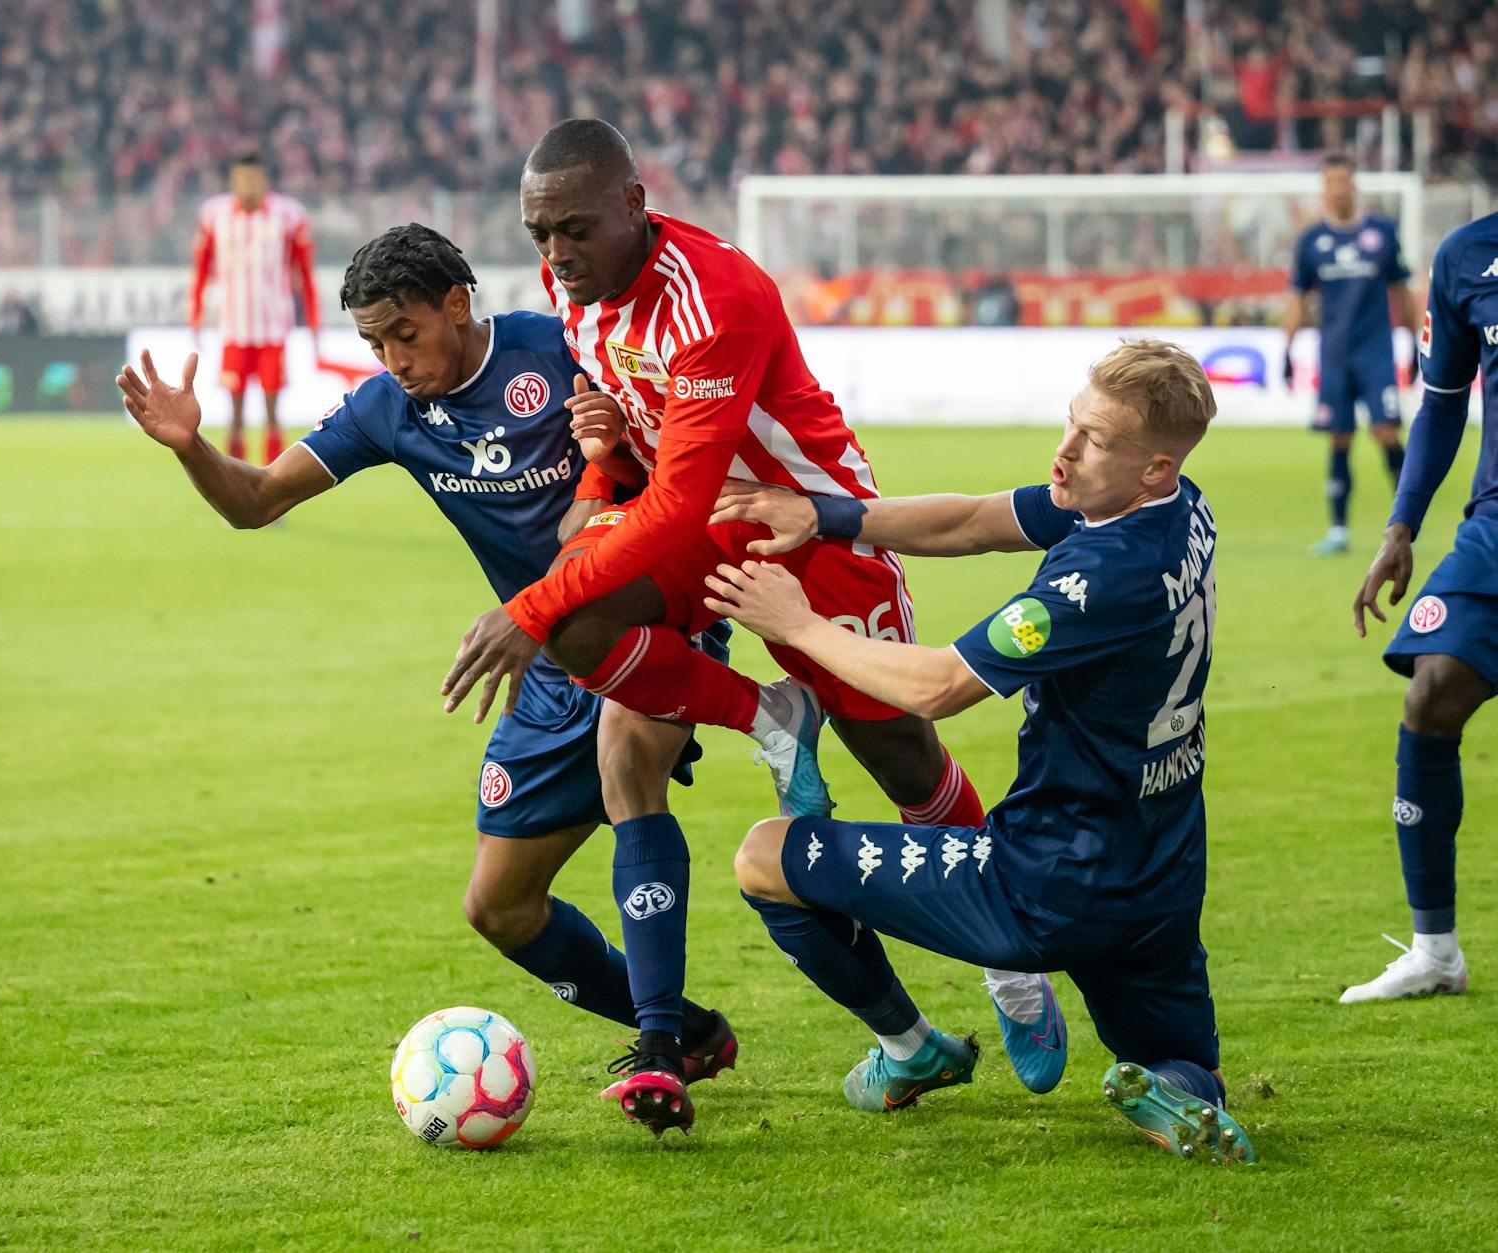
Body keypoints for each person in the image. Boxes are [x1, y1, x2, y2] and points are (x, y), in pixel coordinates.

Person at [439, 118, 1057, 1136]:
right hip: (700, 519)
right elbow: (629, 447)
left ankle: (1011, 964)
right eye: (537, 230)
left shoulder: (713, 297)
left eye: (572, 228)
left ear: (634, 206)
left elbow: (677, 501)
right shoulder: (577, 288)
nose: (552, 252)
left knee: (898, 756)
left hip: (814, 532)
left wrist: (527, 597)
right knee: (577, 624)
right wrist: (595, 478)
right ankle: (770, 713)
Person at [125, 224, 744, 1082]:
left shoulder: (558, 343)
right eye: (373, 344)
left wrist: (612, 443)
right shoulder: (388, 408)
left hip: (649, 613)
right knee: (500, 906)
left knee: (627, 765)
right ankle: (702, 1032)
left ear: (457, 304)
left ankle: (661, 1046)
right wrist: (192, 445)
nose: (393, 360)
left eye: (404, 336)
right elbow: (257, 501)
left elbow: (678, 443)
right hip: (544, 653)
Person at [706, 339, 1255, 1166]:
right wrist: (827, 513)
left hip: (1046, 877)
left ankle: (909, 1047)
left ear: (1153, 466)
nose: (1066, 451)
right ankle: (1179, 1093)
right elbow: (975, 521)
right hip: (1162, 873)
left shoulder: (1101, 576)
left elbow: (936, 688)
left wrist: (797, 625)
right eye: (1073, 424)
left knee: (763, 857)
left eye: (1095, 440)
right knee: (1185, 1063)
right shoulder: (1179, 507)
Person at [1343, 210, 1498, 1002]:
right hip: (1496, 524)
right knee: (1432, 691)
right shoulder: (1466, 255)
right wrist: (1400, 528)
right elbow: (1441, 402)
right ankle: (1435, 949)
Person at [1284, 153, 1419, 556]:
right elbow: (1297, 298)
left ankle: (1410, 518)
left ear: (1354, 185)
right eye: (1332, 181)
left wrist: (1413, 343)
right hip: (1335, 356)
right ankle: (1339, 530)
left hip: (1376, 353)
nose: (1339, 188)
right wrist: (1286, 349)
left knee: (1386, 434)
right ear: (1324, 189)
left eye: (1344, 180)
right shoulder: (1311, 243)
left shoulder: (1381, 234)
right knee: (1339, 438)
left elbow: (1401, 292)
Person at [189, 153, 321, 464]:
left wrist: (314, 322)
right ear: (233, 181)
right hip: (234, 329)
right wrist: (195, 315)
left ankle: (274, 484)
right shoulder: (214, 215)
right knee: (234, 415)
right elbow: (201, 270)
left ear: (264, 180)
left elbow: (305, 274)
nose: (248, 186)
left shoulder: (288, 216)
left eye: (254, 179)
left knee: (273, 413)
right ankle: (235, 488)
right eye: (242, 179)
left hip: (273, 329)